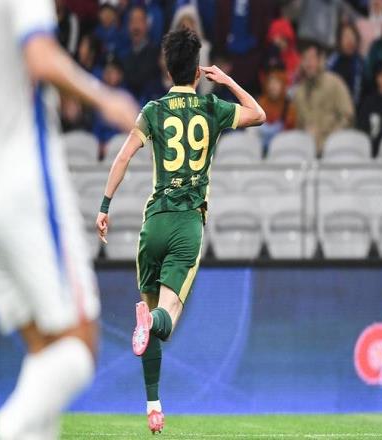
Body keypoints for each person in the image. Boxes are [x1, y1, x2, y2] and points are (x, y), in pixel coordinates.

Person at [0, 0, 138, 439]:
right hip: (23, 180)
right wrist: (105, 97)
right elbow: (40, 57)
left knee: (44, 348)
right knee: (78, 345)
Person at [95, 28, 265, 434]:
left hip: (153, 223)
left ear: (167, 68)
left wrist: (104, 206)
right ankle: (151, 323)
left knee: (150, 322)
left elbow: (123, 156)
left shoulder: (153, 110)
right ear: (198, 70)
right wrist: (227, 81)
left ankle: (153, 406)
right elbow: (258, 114)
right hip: (187, 224)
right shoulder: (211, 107)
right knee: (165, 318)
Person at [293, 41, 354, 156]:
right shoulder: (299, 92)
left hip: (334, 150)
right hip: (307, 152)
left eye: (311, 58)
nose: (308, 63)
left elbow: (347, 116)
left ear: (321, 60)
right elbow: (298, 125)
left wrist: (331, 138)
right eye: (305, 59)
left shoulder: (335, 83)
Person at [122, 5, 160, 101]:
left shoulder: (156, 53)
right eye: (132, 21)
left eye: (139, 21)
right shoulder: (123, 53)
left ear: (147, 25)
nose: (135, 26)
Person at [257, 69, 297, 154]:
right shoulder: (260, 103)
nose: (272, 87)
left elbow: (291, 130)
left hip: (283, 149)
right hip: (261, 150)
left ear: (283, 86)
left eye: (276, 83)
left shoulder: (288, 106)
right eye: (270, 83)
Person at [327, 22, 365, 106]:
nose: (350, 40)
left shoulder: (360, 63)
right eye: (346, 36)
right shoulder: (333, 60)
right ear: (339, 40)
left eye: (352, 36)